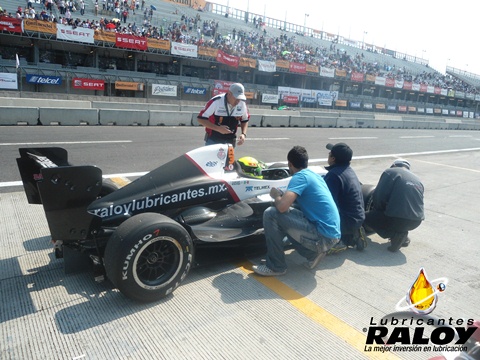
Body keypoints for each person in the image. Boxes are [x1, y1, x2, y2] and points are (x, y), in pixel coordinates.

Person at [252, 146, 341, 276]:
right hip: (331, 235)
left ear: (290, 164)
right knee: (288, 216)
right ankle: (312, 254)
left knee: (271, 213)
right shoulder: (313, 175)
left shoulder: (299, 177)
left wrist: (276, 195)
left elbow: (282, 207)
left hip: (323, 237)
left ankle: (276, 266)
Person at [364, 159, 424, 252]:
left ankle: (394, 234)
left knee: (361, 216)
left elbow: (379, 196)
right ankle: (402, 235)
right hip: (416, 222)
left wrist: (375, 213)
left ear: (394, 165)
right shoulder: (417, 179)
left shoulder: (390, 172)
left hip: (397, 220)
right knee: (400, 219)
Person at [323, 143, 367, 253]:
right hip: (358, 217)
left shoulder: (333, 175)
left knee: (316, 213)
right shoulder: (349, 170)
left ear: (333, 159)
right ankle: (353, 233)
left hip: (346, 221)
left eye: (329, 153)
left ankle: (338, 242)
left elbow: (327, 204)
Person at [197, 83, 249, 148]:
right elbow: (201, 119)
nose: (238, 101)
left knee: (228, 158)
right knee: (211, 158)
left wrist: (243, 134)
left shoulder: (242, 104)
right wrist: (218, 128)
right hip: (213, 139)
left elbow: (245, 120)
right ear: (229, 93)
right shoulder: (216, 101)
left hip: (230, 141)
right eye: (236, 98)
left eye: (240, 98)